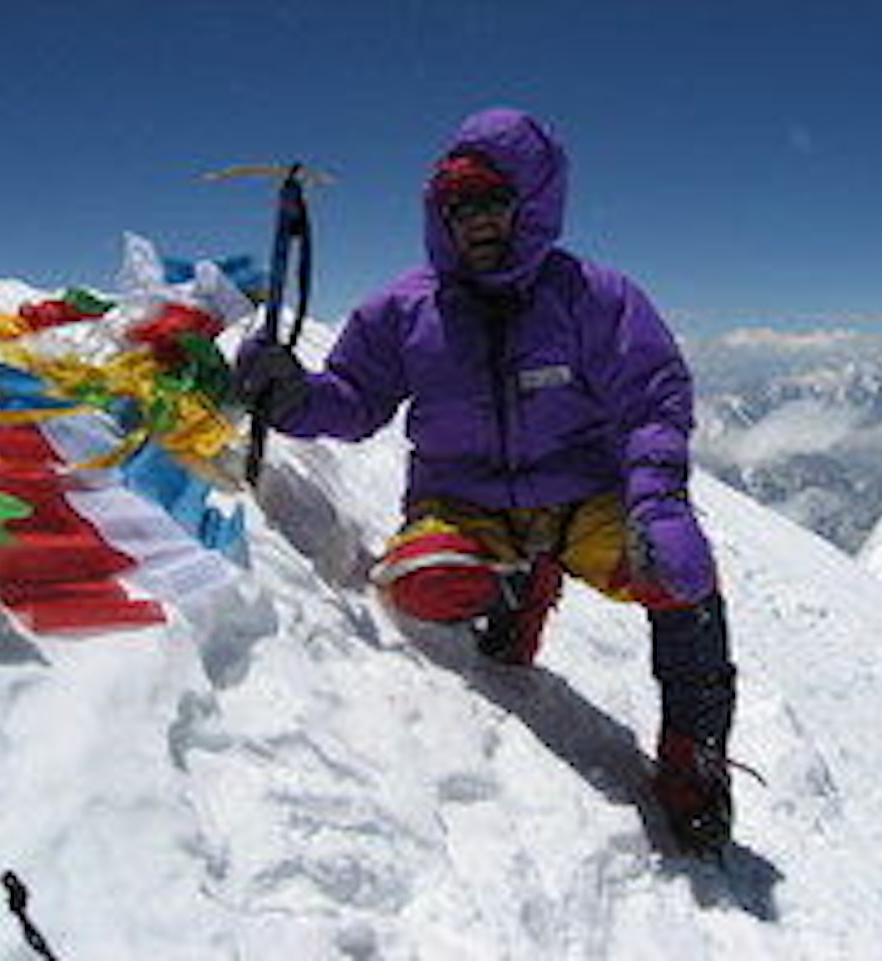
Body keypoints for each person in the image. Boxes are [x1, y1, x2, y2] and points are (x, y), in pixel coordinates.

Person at [234, 108, 739, 854]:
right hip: (463, 503)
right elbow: (354, 398)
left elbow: (654, 397)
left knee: (680, 578)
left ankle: (693, 764)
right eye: (458, 206)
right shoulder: (406, 310)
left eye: (492, 202)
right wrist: (296, 398)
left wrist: (658, 498)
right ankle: (515, 584)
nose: (474, 222)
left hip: (583, 498)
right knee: (421, 581)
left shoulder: (594, 298)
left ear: (533, 204)